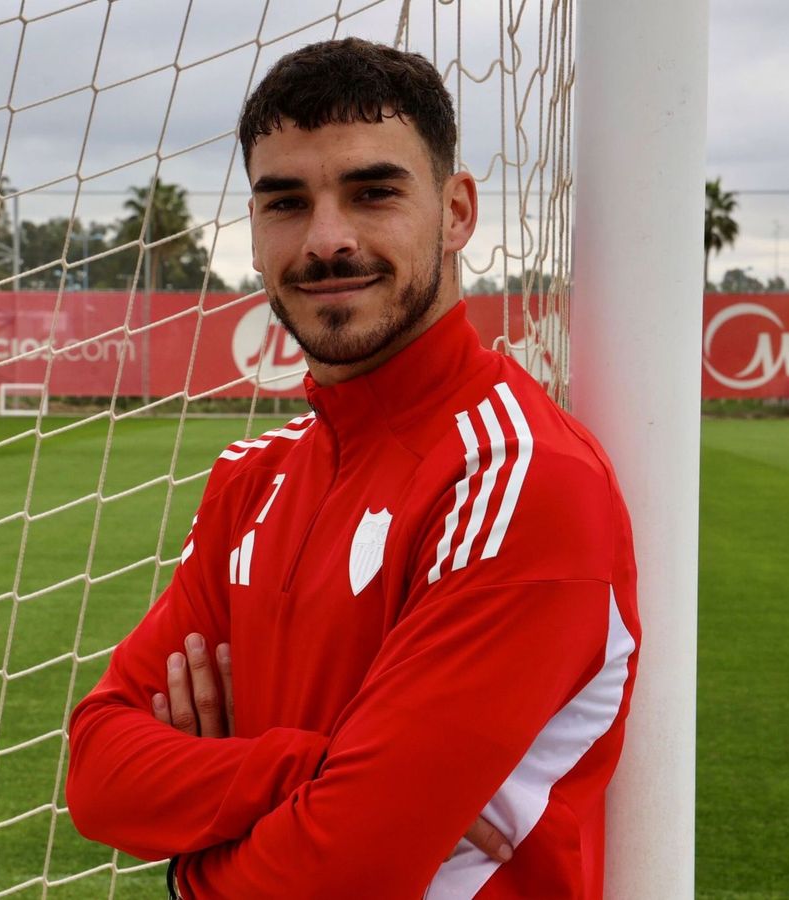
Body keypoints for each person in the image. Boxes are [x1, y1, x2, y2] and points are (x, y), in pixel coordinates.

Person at [66, 37, 640, 899]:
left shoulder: (520, 479)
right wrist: (308, 767)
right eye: (286, 202)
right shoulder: (250, 480)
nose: (327, 241)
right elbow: (99, 767)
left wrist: (190, 874)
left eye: (373, 192)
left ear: (456, 212)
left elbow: (347, 870)